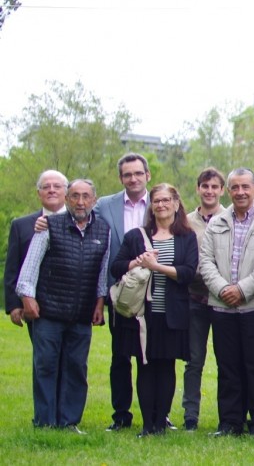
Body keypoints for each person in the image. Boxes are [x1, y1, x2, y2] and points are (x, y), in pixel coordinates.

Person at [16, 178, 109, 432]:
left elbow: (102, 272)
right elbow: (30, 266)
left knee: (76, 368)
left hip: (81, 314)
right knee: (45, 366)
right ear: (67, 199)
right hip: (48, 311)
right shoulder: (49, 226)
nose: (80, 202)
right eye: (75, 196)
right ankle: (45, 422)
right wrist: (27, 297)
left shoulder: (103, 230)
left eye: (85, 196)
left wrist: (100, 302)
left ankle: (69, 422)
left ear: (94, 200)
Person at [197, 168, 254, 436]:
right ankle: (230, 422)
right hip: (221, 307)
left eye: (246, 187)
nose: (241, 192)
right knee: (228, 368)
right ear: (229, 191)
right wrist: (223, 289)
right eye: (235, 187)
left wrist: (242, 290)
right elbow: (205, 260)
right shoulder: (217, 222)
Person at [111, 183, 197, 436]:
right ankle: (148, 424)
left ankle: (161, 423)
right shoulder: (136, 236)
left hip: (172, 313)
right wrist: (138, 262)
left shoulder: (186, 237)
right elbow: (115, 267)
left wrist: (157, 267)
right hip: (141, 316)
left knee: (167, 367)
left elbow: (188, 273)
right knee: (145, 366)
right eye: (156, 200)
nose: (161, 205)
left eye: (166, 200)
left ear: (176, 204)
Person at [94, 153, 152, 431]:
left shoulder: (162, 202)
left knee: (150, 357)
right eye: (128, 174)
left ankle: (155, 413)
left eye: (138, 173)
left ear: (147, 175)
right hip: (119, 292)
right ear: (121, 178)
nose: (133, 178)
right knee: (120, 357)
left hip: (153, 293)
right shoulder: (104, 205)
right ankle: (121, 415)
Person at [182, 167, 224, 431]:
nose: (209, 191)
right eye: (204, 186)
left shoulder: (230, 218)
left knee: (227, 362)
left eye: (214, 187)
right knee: (194, 360)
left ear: (222, 190)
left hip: (223, 301)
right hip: (194, 299)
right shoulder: (185, 222)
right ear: (198, 189)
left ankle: (228, 415)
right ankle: (190, 415)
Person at [6, 170, 67, 330]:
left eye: (57, 186)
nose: (51, 190)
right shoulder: (21, 225)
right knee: (44, 355)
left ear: (66, 192)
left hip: (71, 305)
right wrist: (14, 304)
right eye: (46, 186)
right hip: (35, 306)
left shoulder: (80, 224)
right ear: (38, 193)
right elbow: (13, 267)